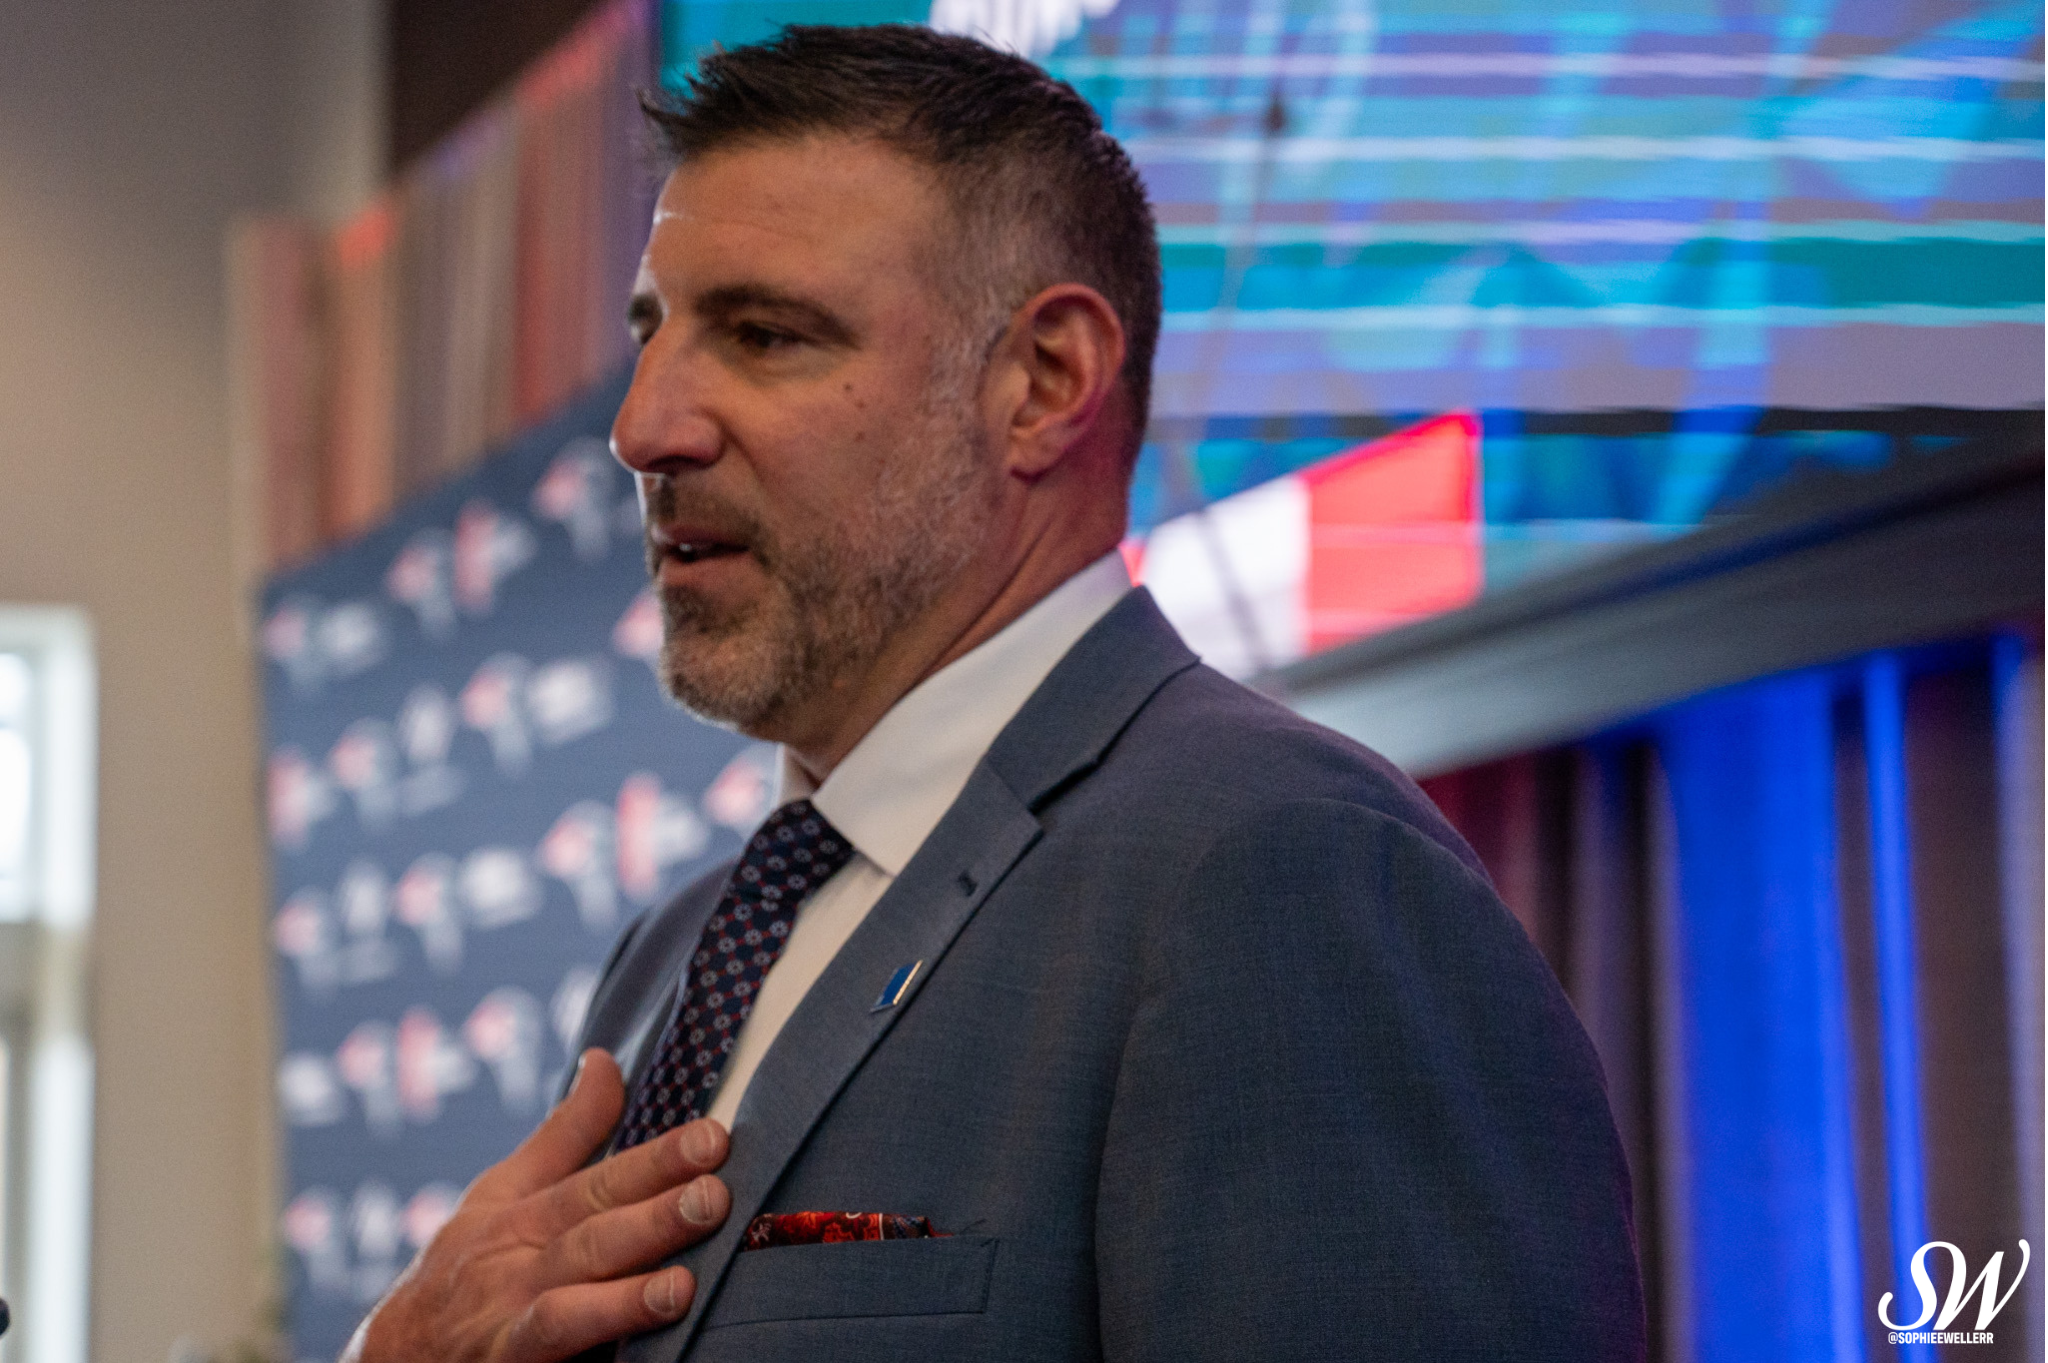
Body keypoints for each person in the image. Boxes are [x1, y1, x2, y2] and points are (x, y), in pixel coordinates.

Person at [345, 24, 1646, 1363]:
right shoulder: (674, 953)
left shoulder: (1282, 870)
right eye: (654, 328)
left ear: (1044, 385)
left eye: (767, 333)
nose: (643, 426)